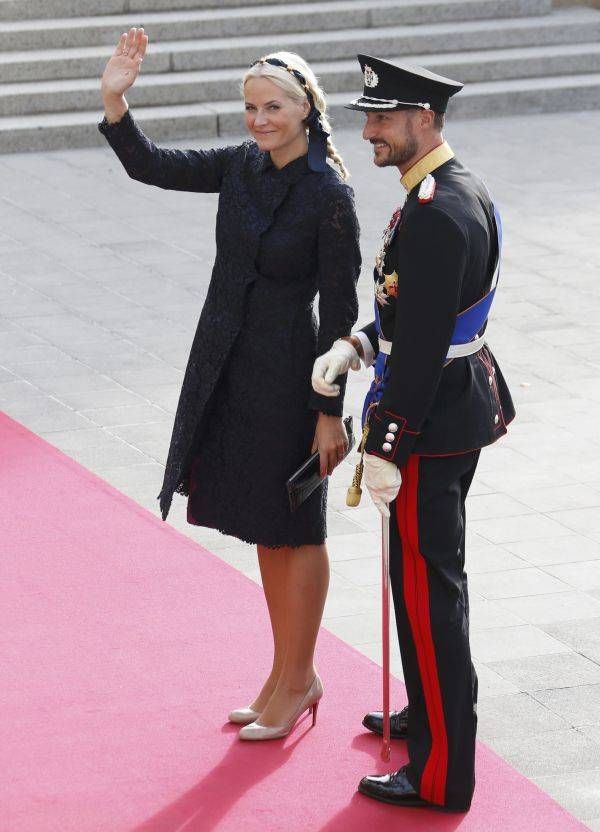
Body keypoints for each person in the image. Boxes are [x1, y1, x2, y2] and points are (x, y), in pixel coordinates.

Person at [99, 29, 360, 741]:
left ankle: (301, 676)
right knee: (263, 528)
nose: (258, 120)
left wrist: (328, 414)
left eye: (271, 107)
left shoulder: (329, 193)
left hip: (290, 377)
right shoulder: (243, 166)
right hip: (231, 368)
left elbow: (341, 319)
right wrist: (116, 101)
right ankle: (285, 675)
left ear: (305, 109)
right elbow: (152, 166)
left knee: (296, 527)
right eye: (249, 107)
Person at [312, 55, 515, 811]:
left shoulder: (434, 211)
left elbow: (428, 343)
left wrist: (389, 447)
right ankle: (428, 713)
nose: (367, 131)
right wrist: (363, 344)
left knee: (430, 596)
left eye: (381, 119)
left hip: (426, 425)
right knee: (423, 583)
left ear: (424, 119)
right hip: (447, 409)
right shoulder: (445, 189)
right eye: (367, 117)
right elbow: (417, 312)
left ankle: (438, 775)